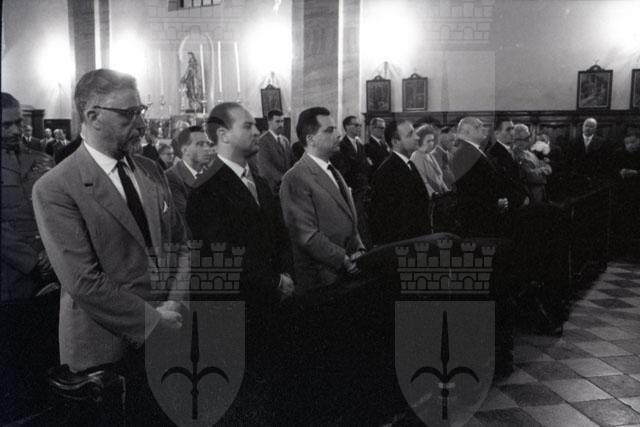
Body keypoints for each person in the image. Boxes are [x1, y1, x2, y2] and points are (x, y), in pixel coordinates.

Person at [32, 69, 188, 424]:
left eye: (141, 111)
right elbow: (82, 281)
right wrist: (152, 320)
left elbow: (182, 244)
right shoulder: (56, 187)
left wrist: (176, 304)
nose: (142, 124)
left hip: (169, 332)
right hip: (107, 350)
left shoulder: (150, 170)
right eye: (128, 114)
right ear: (92, 116)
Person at [186, 102, 293, 306]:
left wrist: (286, 273)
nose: (257, 132)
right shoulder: (205, 189)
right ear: (223, 135)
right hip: (235, 305)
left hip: (272, 300)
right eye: (247, 126)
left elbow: (280, 233)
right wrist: (275, 281)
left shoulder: (260, 183)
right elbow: (223, 253)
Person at [279, 107, 365, 295]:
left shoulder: (332, 169)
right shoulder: (295, 177)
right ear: (311, 139)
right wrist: (343, 259)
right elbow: (307, 236)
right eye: (329, 130)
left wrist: (359, 247)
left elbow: (347, 217)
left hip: (345, 271)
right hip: (323, 278)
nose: (339, 134)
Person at [1, 92, 55, 301]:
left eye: (18, 123)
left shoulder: (44, 160)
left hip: (53, 266)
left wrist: (51, 251)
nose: (16, 131)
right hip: (10, 273)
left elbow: (62, 210)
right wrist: (32, 260)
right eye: (6, 125)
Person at [369, 119, 430, 245]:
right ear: (395, 142)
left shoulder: (409, 163)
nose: (417, 137)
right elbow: (386, 220)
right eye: (410, 134)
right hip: (403, 245)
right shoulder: (386, 172)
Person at [331, 115, 372, 246]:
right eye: (356, 125)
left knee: (362, 217)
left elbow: (364, 165)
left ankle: (364, 244)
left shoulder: (359, 144)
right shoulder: (342, 145)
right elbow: (343, 168)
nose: (359, 127)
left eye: (360, 125)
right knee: (355, 218)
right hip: (351, 188)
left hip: (362, 187)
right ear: (347, 127)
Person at [166, 126, 214, 223]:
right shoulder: (171, 177)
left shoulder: (212, 174)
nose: (207, 149)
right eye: (200, 144)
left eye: (208, 144)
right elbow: (188, 219)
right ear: (184, 150)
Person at [254, 109, 294, 195]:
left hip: (286, 187)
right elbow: (265, 165)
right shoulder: (262, 141)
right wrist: (283, 179)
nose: (281, 124)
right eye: (277, 121)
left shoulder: (285, 140)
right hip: (271, 187)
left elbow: (291, 161)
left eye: (282, 121)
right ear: (269, 122)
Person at [563, 117, 613, 185]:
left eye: (591, 127)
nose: (588, 128)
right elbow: (568, 161)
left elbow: (604, 162)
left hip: (595, 178)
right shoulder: (573, 142)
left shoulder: (602, 142)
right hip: (576, 178)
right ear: (582, 127)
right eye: (586, 126)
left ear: (595, 129)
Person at [512, 124, 552, 205]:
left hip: (540, 192)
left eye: (529, 137)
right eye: (526, 138)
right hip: (531, 195)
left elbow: (548, 168)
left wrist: (541, 169)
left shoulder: (529, 152)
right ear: (516, 140)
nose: (529, 140)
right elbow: (531, 176)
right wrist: (543, 170)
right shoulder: (516, 154)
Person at [410, 124, 450, 197]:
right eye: (428, 141)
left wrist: (446, 190)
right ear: (420, 141)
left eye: (432, 140)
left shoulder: (429, 155)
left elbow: (439, 177)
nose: (431, 143)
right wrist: (436, 196)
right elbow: (423, 182)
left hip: (440, 195)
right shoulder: (417, 156)